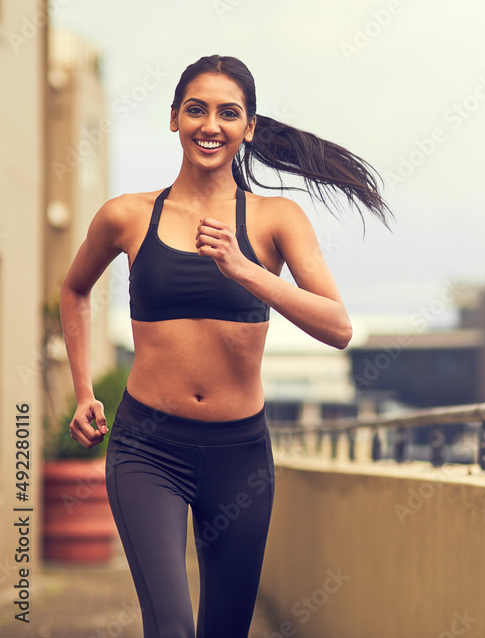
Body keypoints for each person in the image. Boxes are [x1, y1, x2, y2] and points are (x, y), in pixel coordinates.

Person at [60, 54, 391, 637]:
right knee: (172, 628)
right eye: (196, 109)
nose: (209, 124)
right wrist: (83, 389)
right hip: (147, 448)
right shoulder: (128, 215)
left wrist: (247, 271)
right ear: (173, 120)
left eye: (227, 113)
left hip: (239, 455)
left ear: (249, 127)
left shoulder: (275, 219)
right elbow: (75, 289)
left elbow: (338, 327)